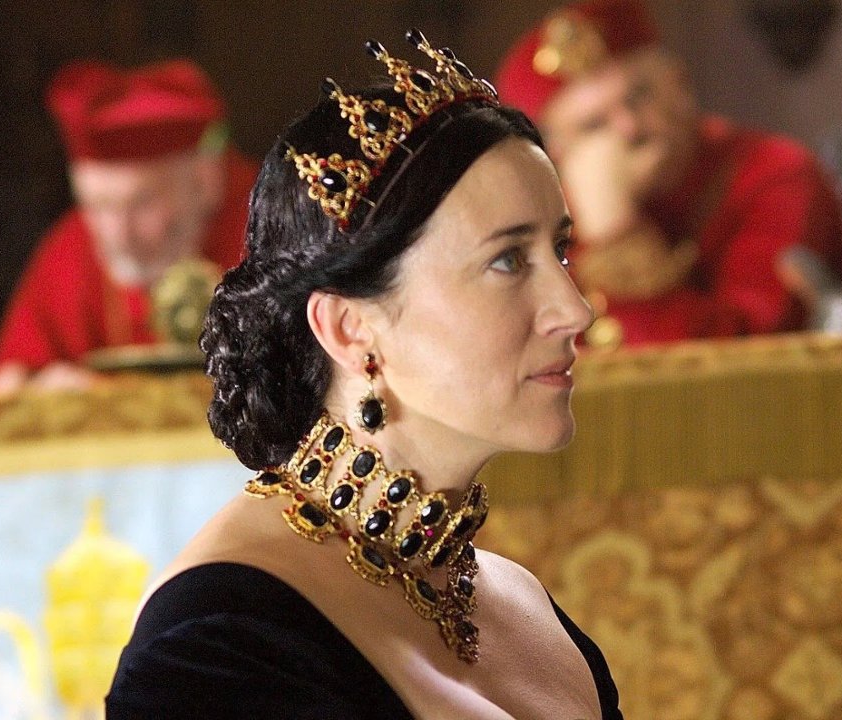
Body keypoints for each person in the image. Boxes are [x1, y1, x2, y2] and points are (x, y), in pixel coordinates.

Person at [105, 31, 622, 719]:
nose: (574, 309)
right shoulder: (220, 645)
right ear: (350, 329)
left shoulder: (523, 606)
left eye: (559, 251)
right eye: (507, 260)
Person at [494, 0, 842, 348]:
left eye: (639, 96)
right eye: (594, 125)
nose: (628, 129)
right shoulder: (546, 217)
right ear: (558, 153)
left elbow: (741, 365)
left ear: (680, 83)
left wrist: (616, 235)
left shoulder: (776, 174)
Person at [0, 58, 258, 394]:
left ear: (204, 181)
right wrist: (36, 391)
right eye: (98, 205)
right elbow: (1, 387)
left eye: (141, 204)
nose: (117, 233)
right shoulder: (72, 246)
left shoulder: (276, 228)